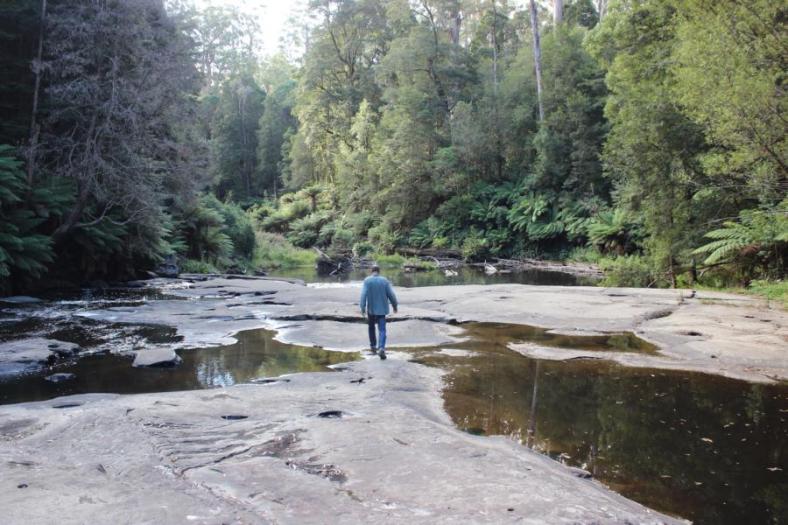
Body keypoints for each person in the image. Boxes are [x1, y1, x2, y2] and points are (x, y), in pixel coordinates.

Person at [359, 264, 398, 360]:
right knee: (382, 329)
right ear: (379, 271)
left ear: (371, 271)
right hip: (382, 310)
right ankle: (381, 347)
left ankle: (373, 346)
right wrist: (395, 306)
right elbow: (391, 295)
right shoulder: (384, 281)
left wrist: (362, 308)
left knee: (371, 327)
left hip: (371, 310)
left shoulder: (367, 281)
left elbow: (363, 295)